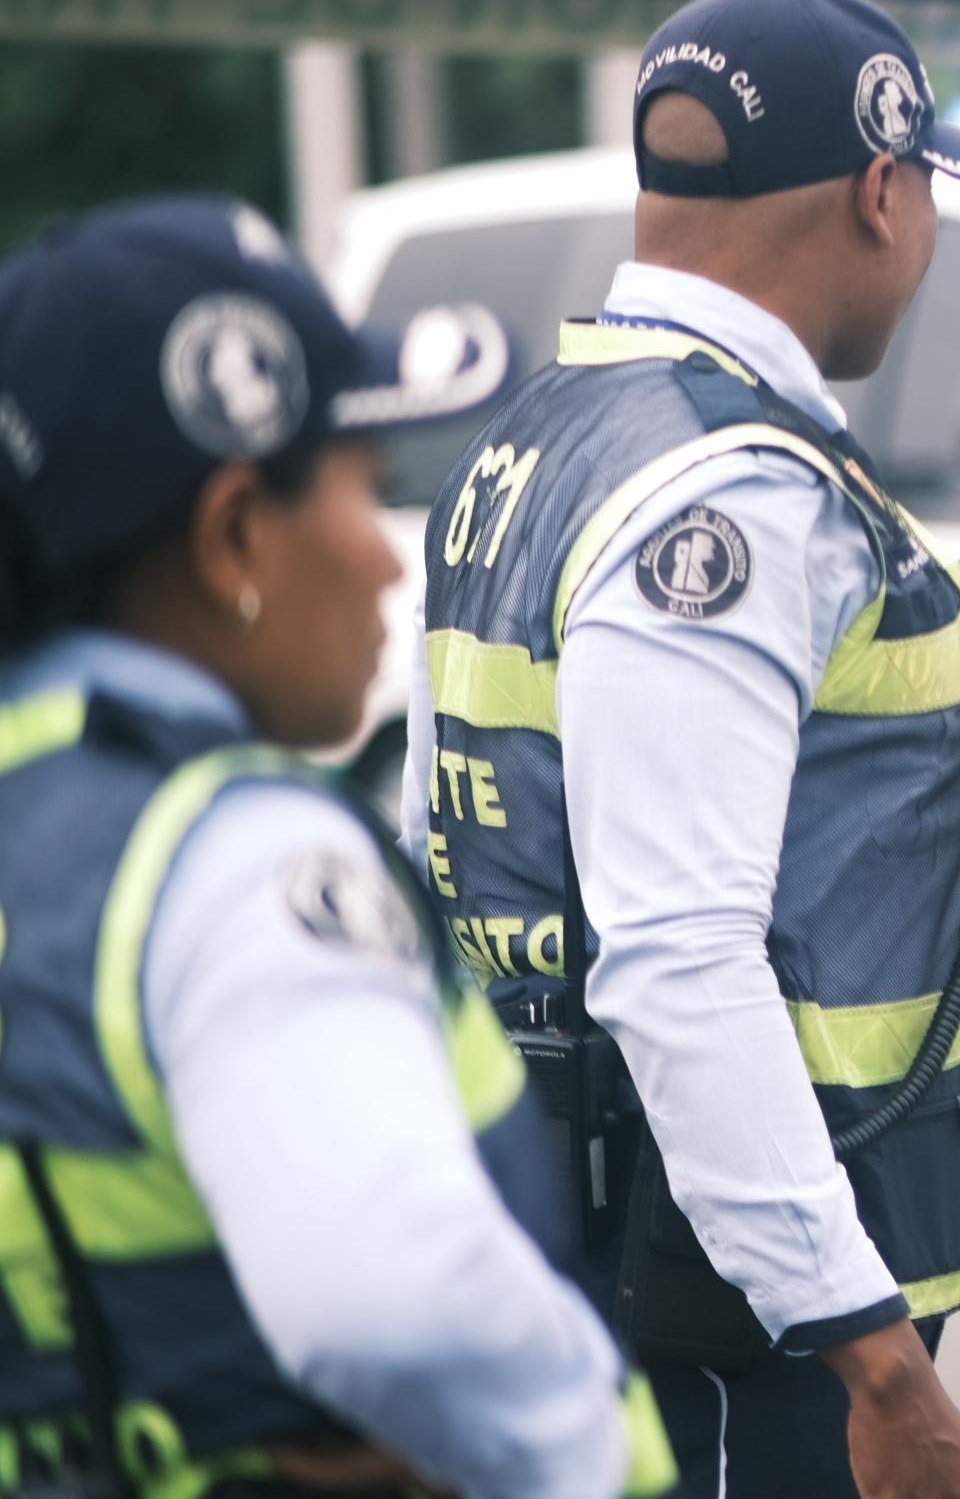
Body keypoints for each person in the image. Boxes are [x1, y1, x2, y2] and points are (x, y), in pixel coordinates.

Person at [404, 0, 960, 1498]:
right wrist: (871, 1356)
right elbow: (679, 955)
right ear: (884, 189)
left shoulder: (548, 426)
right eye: (929, 188)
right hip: (752, 1326)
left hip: (596, 1223)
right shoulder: (728, 492)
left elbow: (442, 813)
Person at [0, 197, 670, 1497]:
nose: (385, 562)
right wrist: (591, 1456)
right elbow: (393, 1296)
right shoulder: (234, 863)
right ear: (236, 533)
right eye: (361, 491)